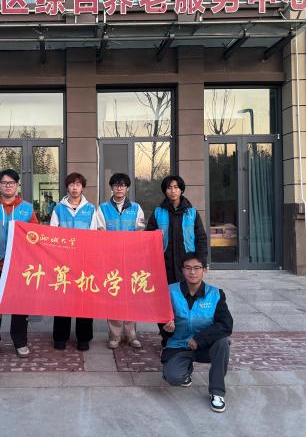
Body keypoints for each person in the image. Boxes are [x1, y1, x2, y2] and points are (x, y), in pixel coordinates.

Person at [0, 169, 39, 357]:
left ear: (18, 185)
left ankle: (20, 341)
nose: (8, 186)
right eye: (4, 183)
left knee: (20, 304)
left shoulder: (27, 208)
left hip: (20, 265)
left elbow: (36, 236)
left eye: (12, 183)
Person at [161, 253, 233, 412]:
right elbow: (162, 321)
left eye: (197, 268)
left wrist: (199, 339)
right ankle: (186, 372)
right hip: (179, 345)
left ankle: (217, 392)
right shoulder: (170, 291)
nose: (192, 272)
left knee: (223, 342)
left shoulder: (215, 294)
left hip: (206, 346)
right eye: (187, 268)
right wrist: (167, 329)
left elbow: (226, 324)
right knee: (173, 377)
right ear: (182, 270)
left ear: (204, 270)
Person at [146, 174, 208, 346]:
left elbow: (201, 238)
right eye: (169, 188)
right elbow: (148, 237)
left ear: (181, 190)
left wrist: (202, 262)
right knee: (164, 303)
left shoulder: (192, 213)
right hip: (164, 266)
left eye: (176, 187)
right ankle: (167, 338)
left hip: (187, 266)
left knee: (186, 302)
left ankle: (185, 337)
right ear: (165, 191)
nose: (172, 191)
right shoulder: (158, 212)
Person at [96, 172, 146, 349]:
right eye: (116, 185)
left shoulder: (136, 208)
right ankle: (115, 335)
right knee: (114, 295)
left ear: (127, 188)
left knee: (131, 296)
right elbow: (100, 233)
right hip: (111, 260)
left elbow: (140, 231)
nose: (119, 188)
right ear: (111, 187)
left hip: (131, 259)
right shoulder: (102, 209)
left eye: (123, 185)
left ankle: (131, 335)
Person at [50, 172, 98, 351]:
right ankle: (60, 337)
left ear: (82, 187)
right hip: (63, 262)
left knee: (84, 299)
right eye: (71, 184)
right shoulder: (58, 209)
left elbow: (94, 235)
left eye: (78, 184)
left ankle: (83, 338)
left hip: (84, 261)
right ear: (67, 187)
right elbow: (52, 234)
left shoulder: (91, 209)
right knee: (62, 298)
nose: (74, 188)